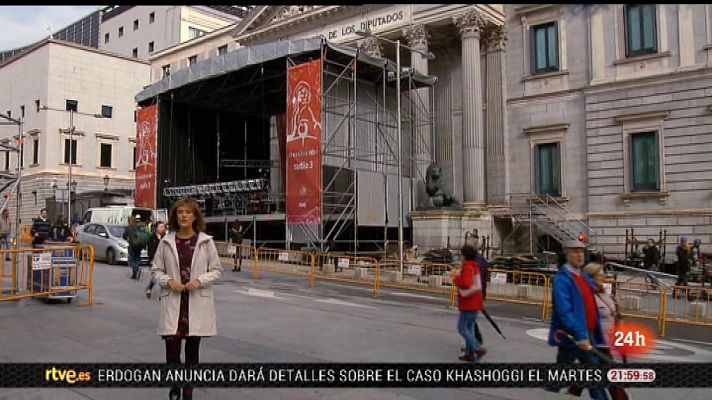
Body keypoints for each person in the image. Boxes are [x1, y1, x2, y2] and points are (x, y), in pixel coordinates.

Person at [151, 197, 222, 400]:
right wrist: (168, 281)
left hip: (196, 303)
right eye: (180, 211)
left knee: (192, 354)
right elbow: (156, 270)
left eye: (188, 212)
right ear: (175, 216)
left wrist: (199, 281)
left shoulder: (206, 242)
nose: (184, 215)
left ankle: (188, 393)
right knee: (172, 352)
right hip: (174, 301)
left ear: (194, 216)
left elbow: (217, 271)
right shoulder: (166, 242)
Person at [547, 240, 608, 400]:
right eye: (575, 251)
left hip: (587, 333)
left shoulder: (582, 276)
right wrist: (580, 335)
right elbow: (564, 311)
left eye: (582, 252)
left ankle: (548, 391)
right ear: (566, 254)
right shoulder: (562, 280)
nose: (580, 255)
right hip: (576, 335)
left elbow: (594, 292)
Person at [453, 244, 486, 362]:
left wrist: (455, 279)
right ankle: (469, 353)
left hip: (468, 302)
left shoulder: (467, 267)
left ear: (464, 256)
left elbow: (466, 283)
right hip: (476, 301)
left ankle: (476, 347)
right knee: (470, 327)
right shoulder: (475, 266)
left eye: (461, 254)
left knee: (462, 327)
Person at [145, 221, 167, 299]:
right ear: (156, 228)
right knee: (154, 277)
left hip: (164, 259)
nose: (162, 228)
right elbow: (150, 248)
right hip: (154, 259)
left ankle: (162, 294)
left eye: (163, 227)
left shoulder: (165, 237)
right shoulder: (152, 236)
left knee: (163, 277)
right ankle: (149, 288)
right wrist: (151, 258)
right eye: (160, 227)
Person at [123, 214, 148, 279]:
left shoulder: (129, 226)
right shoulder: (139, 226)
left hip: (133, 244)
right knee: (138, 256)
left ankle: (135, 271)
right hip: (140, 245)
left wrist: (128, 239)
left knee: (133, 258)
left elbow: (124, 235)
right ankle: (138, 267)